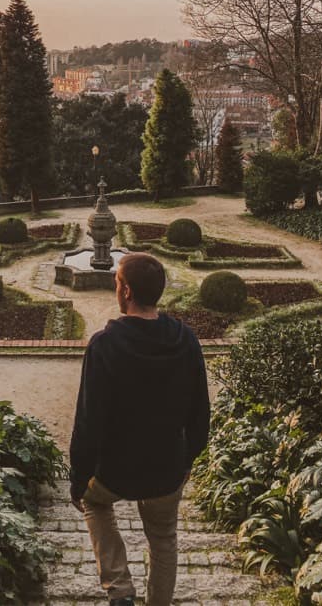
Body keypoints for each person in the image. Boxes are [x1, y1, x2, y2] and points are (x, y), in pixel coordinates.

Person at [69, 252, 210, 606]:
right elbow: (200, 414)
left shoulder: (104, 345)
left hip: (114, 471)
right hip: (166, 468)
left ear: (127, 291)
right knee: (164, 538)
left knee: (92, 503)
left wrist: (77, 478)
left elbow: (88, 420)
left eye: (117, 281)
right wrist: (186, 460)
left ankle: (120, 593)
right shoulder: (187, 340)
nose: (116, 287)